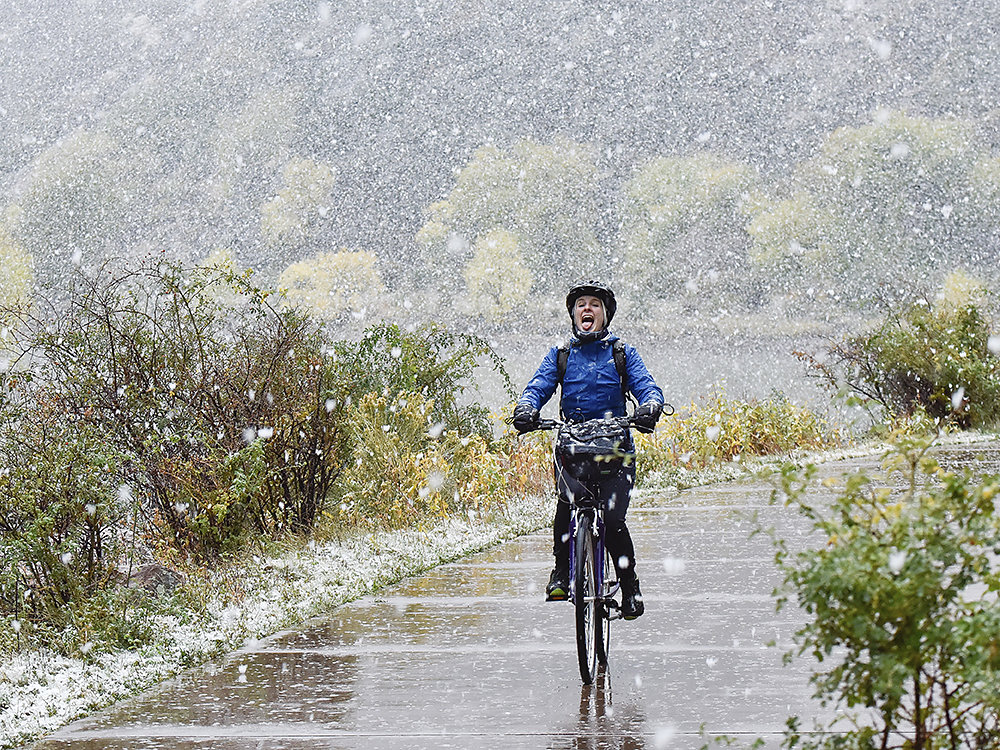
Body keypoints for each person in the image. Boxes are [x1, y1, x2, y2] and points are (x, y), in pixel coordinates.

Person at [511, 281, 664, 620]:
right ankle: (562, 573)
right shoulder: (562, 354)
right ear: (573, 314)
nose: (587, 309)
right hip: (573, 448)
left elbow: (646, 385)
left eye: (595, 304)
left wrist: (651, 405)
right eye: (581, 304)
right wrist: (526, 408)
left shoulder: (622, 352)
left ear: (605, 314)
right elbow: (539, 386)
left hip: (616, 451)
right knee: (566, 506)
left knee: (611, 520)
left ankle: (630, 586)